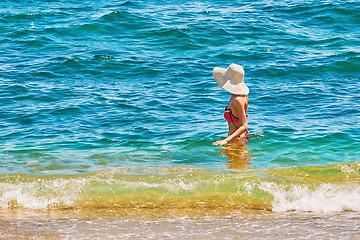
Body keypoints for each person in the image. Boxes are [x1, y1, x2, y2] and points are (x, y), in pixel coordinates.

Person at [212, 63, 249, 146]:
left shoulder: (238, 100)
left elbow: (244, 125)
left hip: (236, 140)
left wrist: (226, 140)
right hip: (240, 139)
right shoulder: (243, 96)